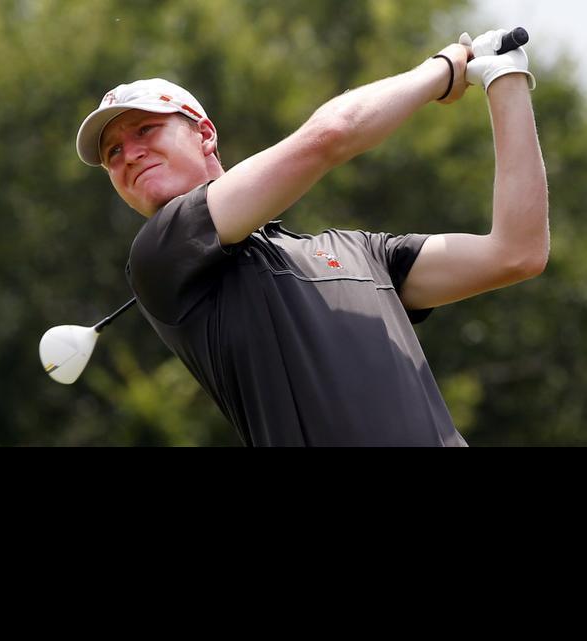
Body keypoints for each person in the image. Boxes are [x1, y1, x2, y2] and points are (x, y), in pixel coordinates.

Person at [73, 30, 549, 446]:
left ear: (205, 135)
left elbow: (517, 252)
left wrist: (504, 78)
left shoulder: (362, 252)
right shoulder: (159, 255)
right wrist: (443, 70)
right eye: (113, 151)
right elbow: (330, 136)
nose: (129, 154)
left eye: (145, 130)